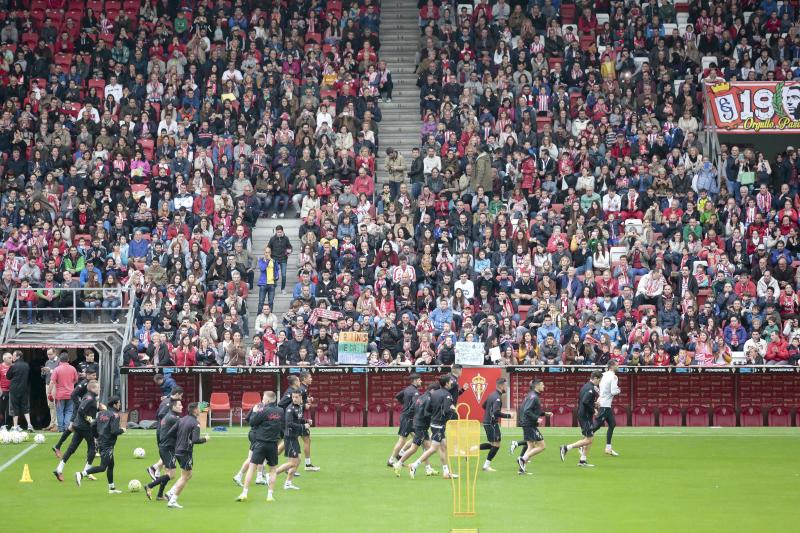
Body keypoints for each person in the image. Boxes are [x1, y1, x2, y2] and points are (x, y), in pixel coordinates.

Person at [405, 374, 457, 479]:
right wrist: (453, 409)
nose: (452, 382)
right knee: (433, 448)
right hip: (439, 425)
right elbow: (447, 410)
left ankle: (446, 472)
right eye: (450, 381)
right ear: (446, 383)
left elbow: (428, 409)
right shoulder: (447, 395)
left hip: (434, 423)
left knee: (443, 446)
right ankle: (414, 465)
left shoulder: (434, 394)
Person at [236, 391, 284, 502]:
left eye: (263, 398)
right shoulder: (280, 411)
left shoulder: (263, 410)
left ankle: (244, 493)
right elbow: (281, 426)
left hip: (260, 443)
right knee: (272, 470)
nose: (262, 400)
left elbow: (252, 422)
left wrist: (254, 411)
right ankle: (270, 496)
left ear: (267, 400)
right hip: (273, 444)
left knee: (252, 468)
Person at [75, 395, 125, 493]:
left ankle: (111, 488)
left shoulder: (100, 413)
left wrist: (97, 437)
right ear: (115, 405)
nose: (120, 405)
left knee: (111, 465)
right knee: (103, 467)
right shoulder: (115, 415)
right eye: (119, 403)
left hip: (102, 442)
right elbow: (114, 431)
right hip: (108, 444)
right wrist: (122, 430)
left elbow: (93, 425)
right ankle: (81, 474)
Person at [54, 380, 100, 482]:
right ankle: (85, 472)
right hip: (85, 427)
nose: (99, 389)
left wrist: (98, 410)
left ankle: (59, 469)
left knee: (72, 448)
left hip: (78, 425)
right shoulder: (91, 398)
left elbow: (85, 409)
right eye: (98, 387)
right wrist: (90, 419)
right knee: (93, 448)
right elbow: (81, 409)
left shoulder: (88, 396)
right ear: (92, 388)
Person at [167, 402, 211, 509]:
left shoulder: (181, 419)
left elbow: (170, 433)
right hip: (186, 452)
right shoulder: (195, 423)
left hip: (177, 450)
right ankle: (172, 500)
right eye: (199, 408)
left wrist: (180, 440)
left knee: (188, 475)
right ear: (195, 410)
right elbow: (196, 440)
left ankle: (171, 492)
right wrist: (205, 439)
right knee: (185, 476)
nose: (200, 409)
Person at [393, 381, 437, 477]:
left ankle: (428, 469)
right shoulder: (429, 399)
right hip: (421, 426)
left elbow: (411, 409)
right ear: (432, 390)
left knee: (428, 448)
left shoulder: (420, 397)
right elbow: (426, 413)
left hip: (419, 425)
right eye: (436, 392)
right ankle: (398, 463)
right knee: (414, 449)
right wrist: (434, 416)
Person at [560, 371, 603, 467]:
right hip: (585, 416)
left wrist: (594, 403)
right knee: (589, 439)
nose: (599, 382)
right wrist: (594, 410)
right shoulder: (591, 388)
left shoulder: (585, 386)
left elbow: (583, 400)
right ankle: (566, 447)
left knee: (588, 438)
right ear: (595, 378)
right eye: (599, 380)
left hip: (583, 414)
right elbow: (585, 402)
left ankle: (582, 460)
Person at [511, 379, 552, 475]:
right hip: (529, 424)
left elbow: (532, 410)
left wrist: (545, 414)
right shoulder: (534, 397)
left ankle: (521, 469)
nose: (544, 386)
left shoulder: (531, 395)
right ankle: (522, 459)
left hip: (527, 423)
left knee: (531, 446)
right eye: (542, 384)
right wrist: (537, 418)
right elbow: (527, 411)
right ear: (536, 386)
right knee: (542, 446)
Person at [52, 368, 95, 458]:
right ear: (87, 375)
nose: (95, 377)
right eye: (93, 375)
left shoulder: (92, 384)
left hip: (84, 409)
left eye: (95, 375)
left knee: (73, 428)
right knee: (74, 427)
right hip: (80, 410)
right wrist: (79, 405)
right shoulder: (83, 384)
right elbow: (73, 394)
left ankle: (58, 446)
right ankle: (59, 446)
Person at [145, 398, 182, 501]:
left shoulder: (167, 416)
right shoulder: (173, 418)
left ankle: (160, 495)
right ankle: (149, 486)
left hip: (164, 447)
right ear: (173, 406)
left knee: (167, 473)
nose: (182, 406)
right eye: (180, 405)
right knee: (171, 475)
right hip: (168, 449)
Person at [147, 386, 184, 482]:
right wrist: (170, 421)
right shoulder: (167, 403)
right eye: (181, 396)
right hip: (163, 431)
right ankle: (154, 468)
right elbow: (160, 415)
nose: (181, 399)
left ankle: (157, 471)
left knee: (168, 453)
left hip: (166, 430)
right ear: (176, 394)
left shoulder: (169, 401)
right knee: (168, 451)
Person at [274, 390, 309, 490]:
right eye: (293, 397)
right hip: (289, 437)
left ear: (301, 398)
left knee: (297, 461)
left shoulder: (300, 407)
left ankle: (288, 483)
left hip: (294, 437)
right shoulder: (290, 409)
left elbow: (299, 419)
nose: (294, 399)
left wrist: (306, 421)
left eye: (297, 397)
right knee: (294, 462)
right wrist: (303, 426)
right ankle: (272, 474)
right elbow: (289, 423)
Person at [388, 373, 421, 467]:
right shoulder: (415, 392)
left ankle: (400, 454)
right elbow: (416, 405)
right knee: (402, 440)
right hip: (407, 418)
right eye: (419, 380)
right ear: (415, 380)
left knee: (417, 437)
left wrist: (405, 404)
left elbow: (398, 396)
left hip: (409, 418)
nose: (421, 381)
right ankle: (391, 460)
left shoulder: (407, 389)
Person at [480, 378, 512, 472]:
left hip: (487, 422)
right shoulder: (497, 397)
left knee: (492, 445)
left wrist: (489, 413)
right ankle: (486, 466)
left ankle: (471, 449)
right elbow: (496, 412)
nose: (507, 387)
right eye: (506, 385)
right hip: (491, 423)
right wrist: (508, 415)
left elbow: (483, 406)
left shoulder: (492, 394)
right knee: (496, 445)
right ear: (501, 386)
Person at [591, 360, 621, 456]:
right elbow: (613, 391)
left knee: (612, 424)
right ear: (612, 366)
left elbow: (597, 388)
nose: (618, 366)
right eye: (617, 365)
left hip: (604, 403)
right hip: (605, 405)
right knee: (596, 426)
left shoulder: (603, 375)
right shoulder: (614, 377)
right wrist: (619, 390)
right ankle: (582, 444)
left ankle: (608, 448)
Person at [298, 372, 320, 471]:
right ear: (304, 379)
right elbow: (296, 402)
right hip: (297, 418)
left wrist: (308, 399)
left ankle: (307, 464)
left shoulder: (304, 389)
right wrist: (305, 405)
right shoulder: (301, 389)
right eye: (310, 377)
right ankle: (307, 465)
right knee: (286, 443)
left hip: (299, 417)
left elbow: (302, 400)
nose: (311, 379)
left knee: (307, 439)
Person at [7, 351, 32, 431]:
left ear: (18, 356)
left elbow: (8, 376)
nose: (12, 357)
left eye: (13, 356)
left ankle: (15, 426)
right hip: (24, 389)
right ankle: (29, 424)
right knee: (25, 407)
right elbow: (29, 377)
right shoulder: (26, 365)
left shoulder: (13, 366)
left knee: (15, 407)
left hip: (14, 389)